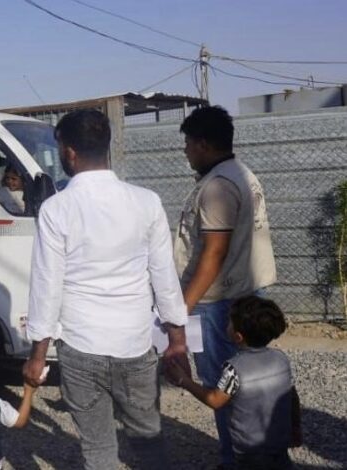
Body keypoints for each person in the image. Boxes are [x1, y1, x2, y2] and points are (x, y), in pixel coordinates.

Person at [22, 109, 189, 470]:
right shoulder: (147, 202)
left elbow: (47, 287)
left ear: (69, 152)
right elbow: (164, 277)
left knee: (97, 451)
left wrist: (38, 356)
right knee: (149, 442)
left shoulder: (56, 209)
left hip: (81, 346)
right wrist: (177, 340)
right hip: (135, 344)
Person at [175, 106, 277, 467]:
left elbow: (214, 253)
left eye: (188, 143)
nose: (185, 151)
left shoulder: (218, 186)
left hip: (217, 301)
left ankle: (234, 458)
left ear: (203, 144)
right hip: (239, 294)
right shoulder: (242, 174)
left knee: (224, 383)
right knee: (248, 380)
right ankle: (256, 452)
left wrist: (182, 308)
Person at [166, 296, 302, 470]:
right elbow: (292, 396)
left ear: (238, 336)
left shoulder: (233, 369)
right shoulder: (281, 359)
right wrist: (295, 427)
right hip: (279, 440)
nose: (227, 324)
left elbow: (215, 400)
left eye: (230, 322)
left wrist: (184, 380)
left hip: (250, 450)